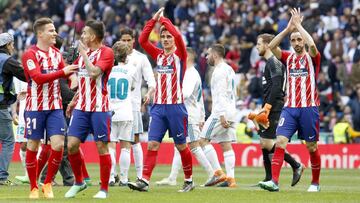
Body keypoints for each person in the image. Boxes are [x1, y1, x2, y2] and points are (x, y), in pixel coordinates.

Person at [127, 7, 194, 193]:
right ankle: (145, 181)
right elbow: (142, 40)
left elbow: (179, 38)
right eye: (163, 37)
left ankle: (188, 180)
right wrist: (153, 20)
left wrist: (164, 21)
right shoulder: (158, 56)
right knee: (153, 144)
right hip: (158, 107)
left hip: (176, 107)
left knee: (181, 146)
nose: (165, 39)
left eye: (168, 37)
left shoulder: (180, 55)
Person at [259, 8, 322, 192]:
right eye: (293, 40)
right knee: (280, 142)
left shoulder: (313, 58)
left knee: (311, 147)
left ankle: (315, 183)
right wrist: (288, 29)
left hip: (309, 108)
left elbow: (312, 45)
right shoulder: (288, 58)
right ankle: (274, 182)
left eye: (298, 39)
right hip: (290, 108)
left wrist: (299, 26)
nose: (296, 42)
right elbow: (270, 47)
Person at [21, 17, 78, 199]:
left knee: (59, 144)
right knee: (33, 145)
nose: (55, 33)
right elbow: (37, 78)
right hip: (35, 107)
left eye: (54, 30)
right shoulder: (30, 55)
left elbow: (68, 75)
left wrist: (74, 79)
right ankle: (33, 187)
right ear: (40, 33)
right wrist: (64, 72)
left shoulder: (56, 54)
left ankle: (47, 184)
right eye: (51, 30)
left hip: (54, 107)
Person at [65, 20, 114, 199]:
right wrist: (73, 101)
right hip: (81, 108)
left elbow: (93, 73)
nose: (82, 36)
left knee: (101, 146)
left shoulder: (106, 52)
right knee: (71, 145)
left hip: (100, 108)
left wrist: (84, 54)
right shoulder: (84, 55)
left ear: (93, 36)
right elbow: (80, 78)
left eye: (85, 33)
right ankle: (79, 182)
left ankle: (104, 189)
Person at [156, 47, 216, 186]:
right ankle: (172, 177)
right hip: (190, 112)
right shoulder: (191, 72)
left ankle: (212, 174)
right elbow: (199, 98)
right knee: (179, 145)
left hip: (187, 113)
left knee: (193, 146)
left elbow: (186, 93)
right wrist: (202, 116)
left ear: (187, 57)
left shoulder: (190, 74)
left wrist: (169, 95)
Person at [250, 33, 304, 186]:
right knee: (263, 143)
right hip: (268, 106)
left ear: (268, 45)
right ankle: (268, 178)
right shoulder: (268, 63)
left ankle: (296, 165)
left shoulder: (274, 62)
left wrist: (267, 107)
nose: (257, 46)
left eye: (259, 44)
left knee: (267, 143)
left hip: (275, 107)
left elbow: (277, 87)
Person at [109, 28, 155, 185]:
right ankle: (116, 175)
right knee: (124, 143)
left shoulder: (140, 58)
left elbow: (151, 80)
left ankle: (139, 174)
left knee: (134, 140)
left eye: (129, 40)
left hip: (133, 106)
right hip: (125, 108)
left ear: (133, 40)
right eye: (124, 40)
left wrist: (149, 93)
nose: (126, 43)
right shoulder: (114, 61)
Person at [199, 43, 237, 188]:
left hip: (221, 111)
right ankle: (231, 179)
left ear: (215, 55)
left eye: (208, 54)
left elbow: (221, 93)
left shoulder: (219, 71)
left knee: (202, 140)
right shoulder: (230, 69)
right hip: (231, 110)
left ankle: (218, 172)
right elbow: (234, 92)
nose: (207, 57)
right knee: (226, 145)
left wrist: (221, 114)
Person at [107, 41, 137, 186]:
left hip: (110, 111)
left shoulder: (108, 70)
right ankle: (124, 179)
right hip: (126, 111)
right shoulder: (132, 69)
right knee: (125, 146)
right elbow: (132, 87)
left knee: (111, 145)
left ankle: (111, 177)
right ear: (127, 55)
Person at [0, 32, 26, 186]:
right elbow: (27, 75)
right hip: (1, 108)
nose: (14, 47)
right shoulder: (7, 61)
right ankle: (2, 177)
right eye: (13, 44)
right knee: (9, 140)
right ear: (8, 44)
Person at [13, 77, 29, 184]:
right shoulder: (17, 75)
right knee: (23, 146)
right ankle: (27, 175)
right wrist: (14, 113)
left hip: (39, 112)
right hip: (23, 116)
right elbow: (15, 96)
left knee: (39, 145)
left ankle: (40, 176)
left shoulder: (41, 68)